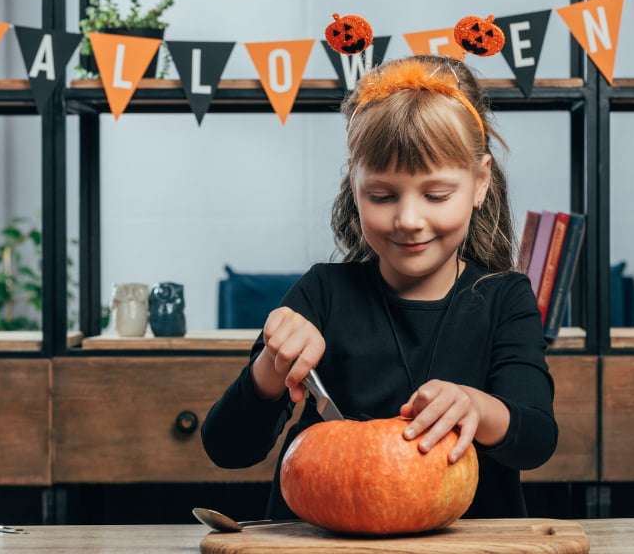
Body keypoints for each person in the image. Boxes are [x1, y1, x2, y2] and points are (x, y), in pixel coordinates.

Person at [200, 54, 557, 520]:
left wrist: (476, 406)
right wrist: (270, 368)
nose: (409, 220)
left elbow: (536, 440)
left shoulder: (504, 298)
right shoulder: (322, 293)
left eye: (436, 195)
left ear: (480, 182)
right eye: (383, 196)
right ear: (355, 185)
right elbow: (228, 448)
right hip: (320, 547)